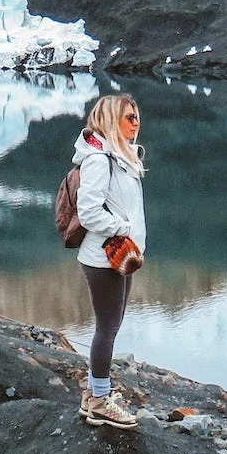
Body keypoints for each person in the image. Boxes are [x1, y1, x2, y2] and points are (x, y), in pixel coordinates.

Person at [72, 94, 147, 429]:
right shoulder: (100, 159)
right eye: (129, 117)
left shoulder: (120, 155)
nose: (136, 123)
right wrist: (123, 227)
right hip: (104, 255)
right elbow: (88, 212)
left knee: (111, 326)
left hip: (122, 252)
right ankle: (101, 400)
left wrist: (128, 233)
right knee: (107, 329)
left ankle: (92, 394)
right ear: (110, 119)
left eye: (137, 117)